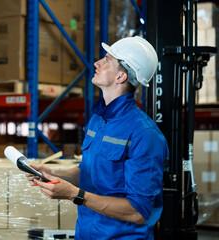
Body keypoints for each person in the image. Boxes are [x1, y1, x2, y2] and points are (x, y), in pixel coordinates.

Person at [26, 36, 169, 240]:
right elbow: (91, 171)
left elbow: (138, 212)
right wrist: (55, 173)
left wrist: (74, 194)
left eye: (107, 60)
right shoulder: (98, 120)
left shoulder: (145, 134)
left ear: (120, 77)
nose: (97, 63)